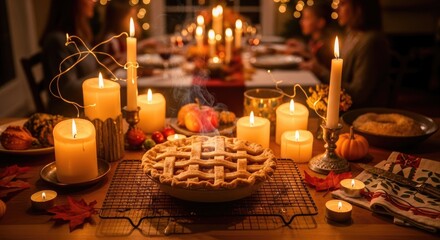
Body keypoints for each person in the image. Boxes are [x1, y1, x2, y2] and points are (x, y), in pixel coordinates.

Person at [40, 0, 98, 117]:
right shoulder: (57, 42)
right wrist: (106, 73)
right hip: (69, 115)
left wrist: (112, 64)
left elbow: (89, 72)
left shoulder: (80, 35)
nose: (94, 1)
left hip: (87, 105)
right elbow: (68, 91)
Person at [337, 0, 391, 108]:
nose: (337, 9)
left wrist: (320, 71)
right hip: (345, 104)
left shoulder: (371, 41)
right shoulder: (351, 35)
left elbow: (358, 94)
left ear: (359, 9)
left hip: (363, 112)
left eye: (343, 4)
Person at [285, 3, 334, 83]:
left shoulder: (326, 47)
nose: (301, 22)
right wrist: (303, 49)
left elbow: (324, 71)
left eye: (306, 18)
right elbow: (311, 53)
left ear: (320, 23)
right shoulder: (314, 40)